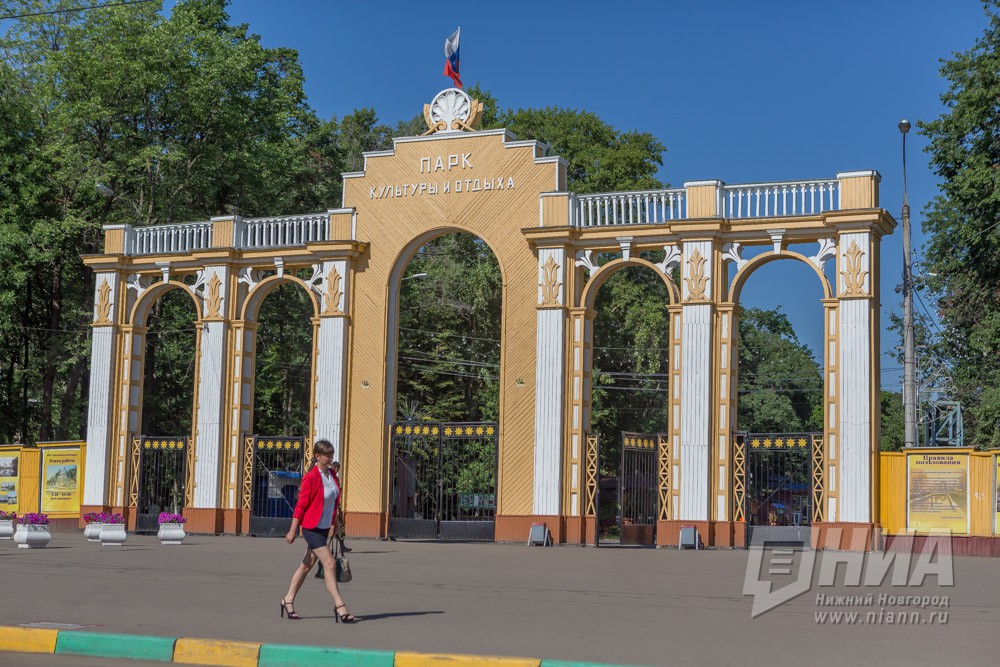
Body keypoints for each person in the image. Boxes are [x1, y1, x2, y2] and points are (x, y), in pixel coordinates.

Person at [280, 439, 357, 623]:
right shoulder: (311, 477)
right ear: (317, 456)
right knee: (329, 563)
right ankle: (340, 606)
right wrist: (292, 530)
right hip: (310, 527)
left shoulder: (332, 475)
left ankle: (287, 600)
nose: (331, 458)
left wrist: (336, 522)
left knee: (306, 565)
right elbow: (301, 505)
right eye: (327, 455)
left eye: (332, 454)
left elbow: (334, 501)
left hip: (324, 527)